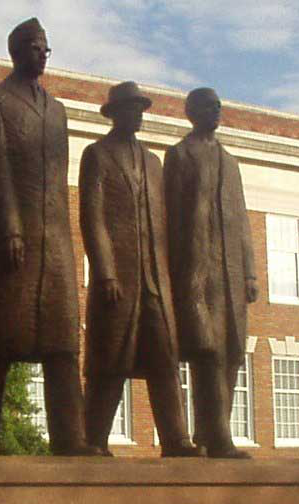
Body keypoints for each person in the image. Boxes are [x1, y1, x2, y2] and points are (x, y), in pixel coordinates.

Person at [0, 18, 97, 456]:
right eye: (36, 47)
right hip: (15, 236)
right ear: (17, 50)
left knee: (63, 345)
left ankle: (72, 439)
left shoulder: (58, 109)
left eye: (47, 48)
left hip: (55, 242)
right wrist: (8, 226)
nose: (44, 54)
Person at [79, 81, 204, 458]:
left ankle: (175, 439)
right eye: (131, 108)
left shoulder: (153, 162)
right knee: (111, 361)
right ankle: (94, 439)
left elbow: (165, 222)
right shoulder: (97, 155)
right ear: (116, 113)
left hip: (156, 280)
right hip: (119, 278)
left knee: (164, 359)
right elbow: (92, 217)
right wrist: (105, 272)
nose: (138, 115)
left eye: (140, 108)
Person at [163, 87, 257, 458]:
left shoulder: (231, 163)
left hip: (232, 274)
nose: (216, 110)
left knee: (232, 352)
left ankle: (211, 432)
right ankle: (217, 438)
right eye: (209, 105)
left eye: (219, 105)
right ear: (191, 112)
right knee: (207, 353)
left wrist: (250, 273)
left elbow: (243, 221)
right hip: (197, 272)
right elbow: (170, 216)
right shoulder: (179, 155)